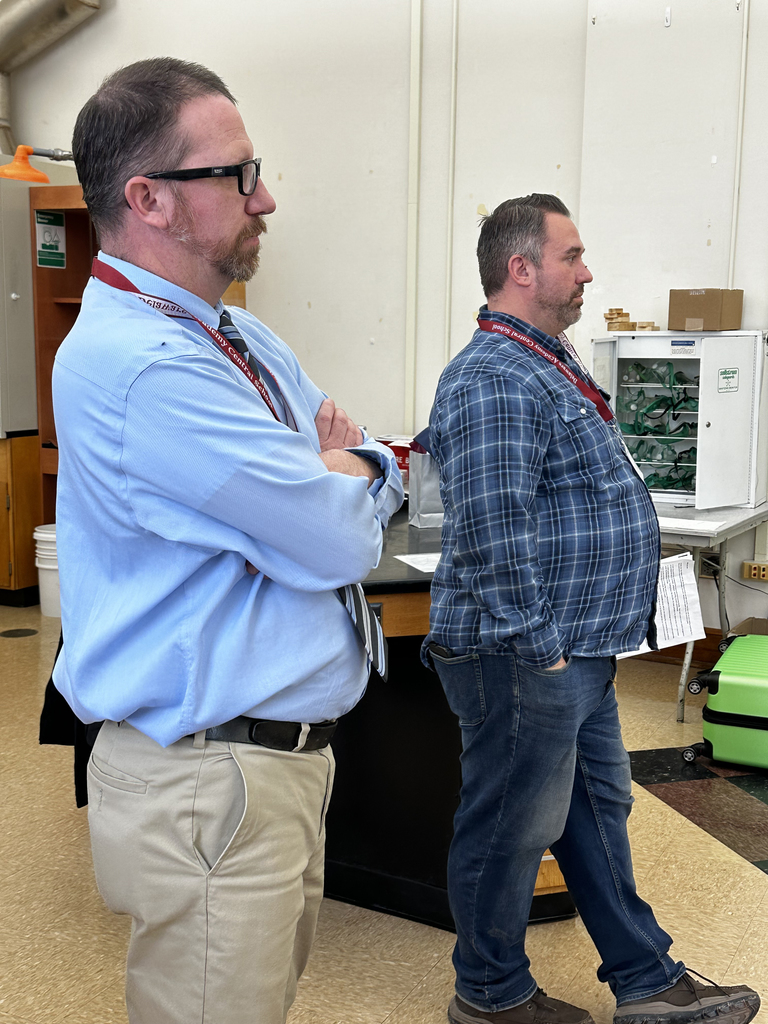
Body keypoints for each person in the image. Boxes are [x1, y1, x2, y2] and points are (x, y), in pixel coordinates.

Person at [52, 57, 403, 1024]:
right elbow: (335, 542)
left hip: (271, 769)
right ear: (149, 199)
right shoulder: (146, 368)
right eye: (238, 174)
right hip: (211, 779)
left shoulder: (237, 339)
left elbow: (362, 457)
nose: (268, 197)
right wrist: (335, 485)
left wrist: (353, 468)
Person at [422, 194, 760, 1024]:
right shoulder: (495, 376)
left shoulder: (547, 360)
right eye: (573, 256)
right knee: (511, 822)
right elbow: (494, 537)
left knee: (593, 808)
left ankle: (645, 979)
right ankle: (491, 994)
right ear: (521, 269)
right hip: (525, 653)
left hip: (573, 648)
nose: (589, 271)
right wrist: (543, 654)